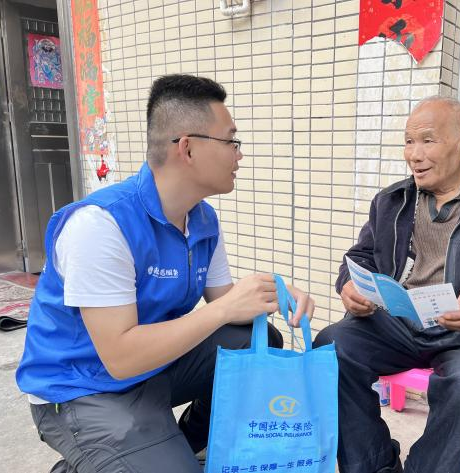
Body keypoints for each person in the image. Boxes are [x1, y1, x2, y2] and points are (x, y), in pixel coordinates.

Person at [16, 74, 315, 473]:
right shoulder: (101, 225)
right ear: (187, 148)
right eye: (231, 141)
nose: (239, 155)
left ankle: (186, 442)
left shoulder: (201, 218)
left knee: (258, 341)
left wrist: (271, 292)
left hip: (151, 370)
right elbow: (121, 357)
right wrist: (223, 310)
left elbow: (225, 304)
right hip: (82, 389)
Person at [313, 96, 460, 473]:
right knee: (330, 348)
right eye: (408, 141)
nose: (414, 155)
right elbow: (361, 256)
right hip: (400, 322)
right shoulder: (391, 200)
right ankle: (373, 466)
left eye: (427, 140)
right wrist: (350, 285)